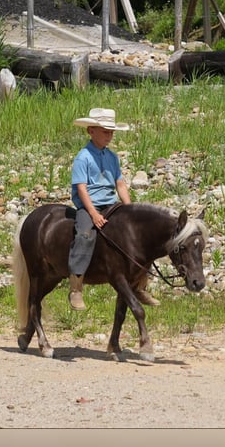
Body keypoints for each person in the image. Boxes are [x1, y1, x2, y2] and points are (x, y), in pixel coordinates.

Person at [68, 107, 160, 310]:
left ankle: (140, 284)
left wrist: (130, 209)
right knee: (84, 235)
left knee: (138, 235)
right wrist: (92, 213)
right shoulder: (82, 158)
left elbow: (119, 183)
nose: (110, 135)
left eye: (111, 132)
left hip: (111, 203)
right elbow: (81, 188)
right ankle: (76, 288)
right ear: (91, 131)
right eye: (105, 131)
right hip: (90, 204)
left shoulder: (112, 157)